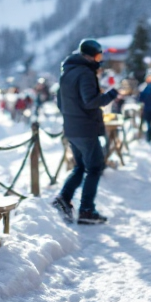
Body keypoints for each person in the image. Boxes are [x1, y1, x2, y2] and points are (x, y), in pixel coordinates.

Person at [54, 39, 118, 224]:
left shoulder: (67, 72)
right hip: (86, 128)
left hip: (71, 127)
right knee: (95, 167)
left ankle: (64, 198)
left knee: (81, 166)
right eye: (99, 55)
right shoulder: (86, 73)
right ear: (92, 56)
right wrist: (112, 94)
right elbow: (90, 101)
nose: (100, 59)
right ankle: (87, 210)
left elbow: (60, 103)